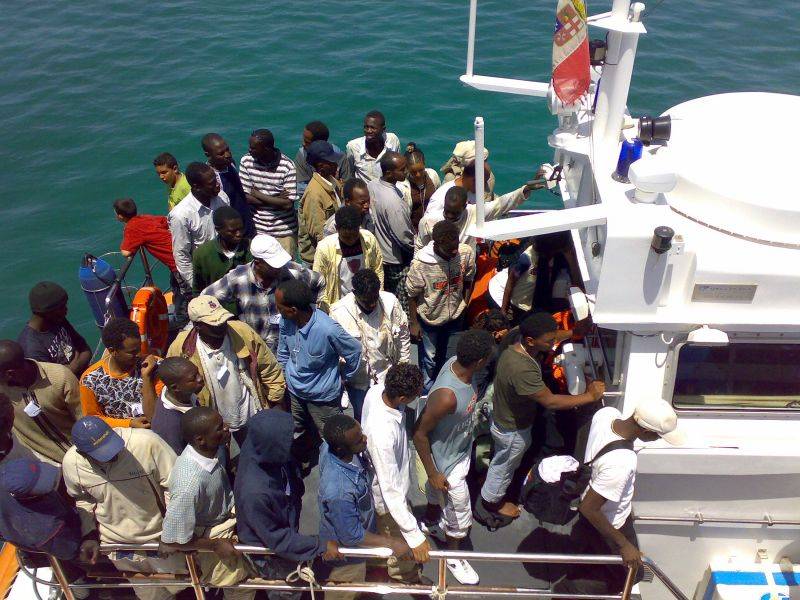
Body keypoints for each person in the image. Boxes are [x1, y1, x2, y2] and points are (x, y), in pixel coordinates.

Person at [478, 312, 605, 522]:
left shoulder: (515, 337)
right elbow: (551, 401)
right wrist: (590, 395)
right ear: (531, 341)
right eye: (549, 341)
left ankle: (491, 480)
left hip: (503, 416)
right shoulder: (522, 369)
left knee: (503, 459)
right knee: (504, 466)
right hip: (513, 431)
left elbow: (552, 335)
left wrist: (573, 332)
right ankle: (492, 501)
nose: (553, 343)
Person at [556, 401, 685, 596]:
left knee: (598, 562)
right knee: (632, 574)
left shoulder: (606, 415)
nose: (657, 440)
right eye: (657, 436)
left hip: (601, 518)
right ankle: (569, 591)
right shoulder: (621, 461)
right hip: (611, 523)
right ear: (645, 432)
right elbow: (589, 508)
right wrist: (623, 544)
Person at [63, 417, 180, 600]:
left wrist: (172, 532)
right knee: (151, 596)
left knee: (183, 587)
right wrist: (90, 535)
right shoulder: (71, 464)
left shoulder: (148, 443)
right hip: (119, 547)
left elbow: (176, 488)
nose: (112, 455)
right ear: (83, 453)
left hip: (161, 540)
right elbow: (83, 500)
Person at [412, 329, 495, 585]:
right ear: (480, 361)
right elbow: (419, 434)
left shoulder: (457, 365)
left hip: (459, 449)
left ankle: (429, 521)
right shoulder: (447, 396)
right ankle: (452, 556)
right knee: (459, 514)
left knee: (436, 497)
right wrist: (435, 472)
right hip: (448, 464)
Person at [235, 410, 341, 597]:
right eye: (285, 438)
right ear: (272, 442)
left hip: (285, 520)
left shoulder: (259, 447)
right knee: (286, 592)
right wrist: (320, 545)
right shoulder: (255, 493)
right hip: (271, 555)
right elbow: (277, 538)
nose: (291, 440)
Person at [160, 407, 254, 600]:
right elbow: (175, 540)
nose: (226, 429)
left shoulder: (211, 449)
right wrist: (214, 545)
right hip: (215, 537)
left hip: (228, 519)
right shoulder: (189, 484)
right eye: (220, 428)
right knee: (240, 590)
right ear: (200, 439)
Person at [167, 296, 285, 444]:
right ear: (197, 326)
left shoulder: (242, 332)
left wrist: (276, 402)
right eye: (214, 323)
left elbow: (269, 367)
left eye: (223, 320)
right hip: (213, 426)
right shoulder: (181, 348)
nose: (221, 325)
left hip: (250, 412)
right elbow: (173, 383)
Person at [318, 414, 410, 598]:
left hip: (355, 541)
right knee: (345, 593)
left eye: (362, 433)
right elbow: (351, 535)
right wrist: (393, 543)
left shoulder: (328, 447)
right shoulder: (340, 491)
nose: (365, 439)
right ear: (341, 448)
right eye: (359, 440)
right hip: (347, 558)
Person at [276, 280, 361, 466]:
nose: (277, 310)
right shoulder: (285, 321)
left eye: (279, 306)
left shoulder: (327, 329)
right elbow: (283, 352)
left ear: (293, 309)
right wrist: (284, 377)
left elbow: (354, 351)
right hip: (294, 392)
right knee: (297, 428)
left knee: (331, 437)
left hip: (323, 399)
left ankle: (334, 468)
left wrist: (344, 377)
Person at [361, 364, 431, 584]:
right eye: (416, 393)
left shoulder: (376, 391)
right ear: (402, 397)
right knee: (398, 539)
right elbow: (390, 490)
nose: (419, 395)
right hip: (388, 499)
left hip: (393, 483)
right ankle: (406, 575)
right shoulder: (381, 434)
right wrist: (414, 536)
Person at [202, 234, 325, 353]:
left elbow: (319, 281)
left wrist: (312, 314)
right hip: (255, 348)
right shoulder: (238, 278)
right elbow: (205, 298)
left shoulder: (293, 272)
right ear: (258, 263)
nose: (279, 268)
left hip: (290, 348)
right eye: (273, 266)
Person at [330, 270, 410, 421]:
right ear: (354, 293)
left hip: (388, 374)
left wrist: (403, 368)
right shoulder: (339, 312)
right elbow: (334, 352)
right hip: (359, 381)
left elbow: (403, 337)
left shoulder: (391, 302)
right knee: (364, 418)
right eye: (366, 301)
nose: (372, 304)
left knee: (392, 417)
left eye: (375, 298)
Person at [407, 220, 476, 392]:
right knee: (430, 359)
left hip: (456, 318)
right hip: (430, 320)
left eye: (456, 247)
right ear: (437, 244)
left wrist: (465, 304)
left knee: (451, 356)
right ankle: (427, 393)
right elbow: (411, 294)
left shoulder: (465, 253)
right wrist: (414, 323)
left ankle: (446, 389)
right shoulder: (420, 264)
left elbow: (469, 278)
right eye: (450, 250)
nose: (455, 252)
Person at [416, 170, 546, 253]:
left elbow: (500, 204)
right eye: (447, 211)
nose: (449, 216)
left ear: (464, 207)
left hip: (465, 267)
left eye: (455, 213)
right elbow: (420, 247)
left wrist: (526, 189)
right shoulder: (428, 221)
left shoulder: (473, 212)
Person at [0, 340, 82, 464]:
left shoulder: (60, 377)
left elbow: (83, 418)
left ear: (10, 374)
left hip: (79, 456)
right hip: (41, 464)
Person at [114, 198, 188, 327]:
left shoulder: (131, 228)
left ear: (120, 216)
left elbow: (125, 252)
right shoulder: (145, 218)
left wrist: (128, 233)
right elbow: (166, 221)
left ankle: (183, 320)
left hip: (177, 262)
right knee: (176, 285)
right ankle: (180, 314)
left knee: (185, 291)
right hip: (182, 251)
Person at [167, 162, 230, 305]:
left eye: (216, 180)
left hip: (228, 267)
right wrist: (197, 287)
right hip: (205, 277)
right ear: (196, 186)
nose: (217, 186)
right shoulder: (181, 215)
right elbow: (181, 255)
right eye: (211, 183)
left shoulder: (222, 197)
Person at [0, 458, 85, 561]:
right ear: (28, 496)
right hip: (57, 539)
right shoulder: (45, 531)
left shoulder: (12, 471)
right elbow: (74, 552)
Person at [80, 318, 155, 429]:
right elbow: (93, 419)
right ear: (112, 351)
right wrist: (128, 424)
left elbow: (155, 416)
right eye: (132, 352)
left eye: (139, 348)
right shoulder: (90, 380)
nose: (139, 354)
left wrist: (147, 378)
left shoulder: (153, 366)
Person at [239, 128, 298, 256]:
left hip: (284, 232)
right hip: (258, 229)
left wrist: (258, 194)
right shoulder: (246, 161)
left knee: (285, 271)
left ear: (266, 149)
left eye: (253, 148)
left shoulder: (287, 166)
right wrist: (277, 198)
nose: (250, 150)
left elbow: (288, 205)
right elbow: (246, 197)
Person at [313, 206, 384, 309]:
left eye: (355, 236)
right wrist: (329, 309)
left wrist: (376, 295)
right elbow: (318, 282)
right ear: (337, 229)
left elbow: (378, 269)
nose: (351, 241)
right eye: (346, 237)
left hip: (366, 302)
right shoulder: (324, 248)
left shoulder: (369, 240)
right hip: (338, 305)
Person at [17, 281, 91, 377]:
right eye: (61, 307)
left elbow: (86, 349)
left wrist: (73, 367)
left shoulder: (56, 319)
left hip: (83, 374)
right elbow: (55, 383)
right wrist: (75, 367)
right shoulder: (32, 349)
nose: (66, 310)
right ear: (47, 312)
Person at [368, 151, 413, 305]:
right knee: (402, 301)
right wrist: (414, 250)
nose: (406, 171)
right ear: (389, 173)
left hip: (380, 254)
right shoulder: (394, 201)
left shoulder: (372, 185)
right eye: (402, 169)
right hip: (395, 260)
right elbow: (403, 236)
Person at [191, 206, 252, 304]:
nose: (239, 234)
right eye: (232, 231)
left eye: (241, 229)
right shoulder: (202, 254)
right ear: (218, 230)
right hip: (216, 312)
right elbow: (198, 289)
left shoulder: (251, 249)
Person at [298, 140, 344, 264]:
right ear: (321, 165)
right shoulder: (314, 194)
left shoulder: (333, 181)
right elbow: (319, 233)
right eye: (332, 161)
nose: (336, 164)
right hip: (318, 259)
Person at [202, 132, 256, 238]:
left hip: (248, 224)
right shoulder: (210, 179)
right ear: (208, 155)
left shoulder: (230, 163)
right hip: (234, 233)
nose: (228, 155)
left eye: (227, 149)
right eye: (221, 153)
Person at [148, 357, 204, 454]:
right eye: (193, 378)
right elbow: (176, 460)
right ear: (175, 387)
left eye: (197, 372)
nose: (200, 378)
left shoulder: (185, 394)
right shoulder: (170, 426)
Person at [295, 120, 351, 195]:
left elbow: (347, 186)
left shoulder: (339, 156)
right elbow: (300, 188)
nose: (303, 144)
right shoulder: (302, 155)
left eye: (307, 142)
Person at [346, 110, 401, 182]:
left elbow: (399, 166)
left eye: (373, 128)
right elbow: (350, 174)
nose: (369, 131)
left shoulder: (393, 140)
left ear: (383, 129)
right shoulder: (353, 147)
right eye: (366, 127)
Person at [397, 144, 441, 229]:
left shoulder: (432, 175)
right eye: (413, 172)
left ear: (425, 164)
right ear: (407, 169)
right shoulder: (402, 187)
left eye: (421, 170)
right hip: (414, 230)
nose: (418, 175)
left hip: (435, 226)